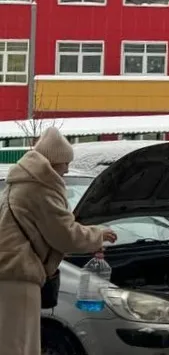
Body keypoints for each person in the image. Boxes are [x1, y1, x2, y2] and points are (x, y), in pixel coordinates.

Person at [0, 127, 116, 355]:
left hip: (8, 273)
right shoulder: (39, 188)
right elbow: (65, 234)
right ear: (54, 162)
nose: (67, 169)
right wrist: (98, 235)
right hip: (17, 276)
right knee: (18, 346)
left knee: (12, 342)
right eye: (65, 164)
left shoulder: (21, 183)